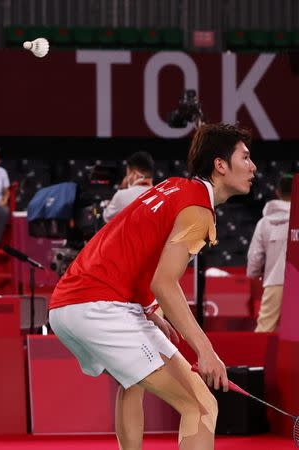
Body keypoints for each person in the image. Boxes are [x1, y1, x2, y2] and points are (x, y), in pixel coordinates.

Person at [48, 123, 256, 450]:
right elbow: (165, 283)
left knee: (133, 382)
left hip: (71, 303)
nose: (253, 166)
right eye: (245, 158)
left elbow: (137, 249)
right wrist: (206, 350)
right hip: (100, 306)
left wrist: (149, 308)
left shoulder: (174, 187)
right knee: (200, 405)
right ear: (220, 165)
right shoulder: (198, 211)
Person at [247, 174, 293, 332]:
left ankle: (257, 358)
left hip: (275, 281)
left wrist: (253, 273)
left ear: (278, 192)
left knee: (264, 330)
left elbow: (255, 255)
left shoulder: (264, 222)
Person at [103, 151, 155, 222]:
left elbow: (107, 218)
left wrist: (122, 189)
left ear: (133, 172)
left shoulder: (121, 195)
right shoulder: (163, 195)